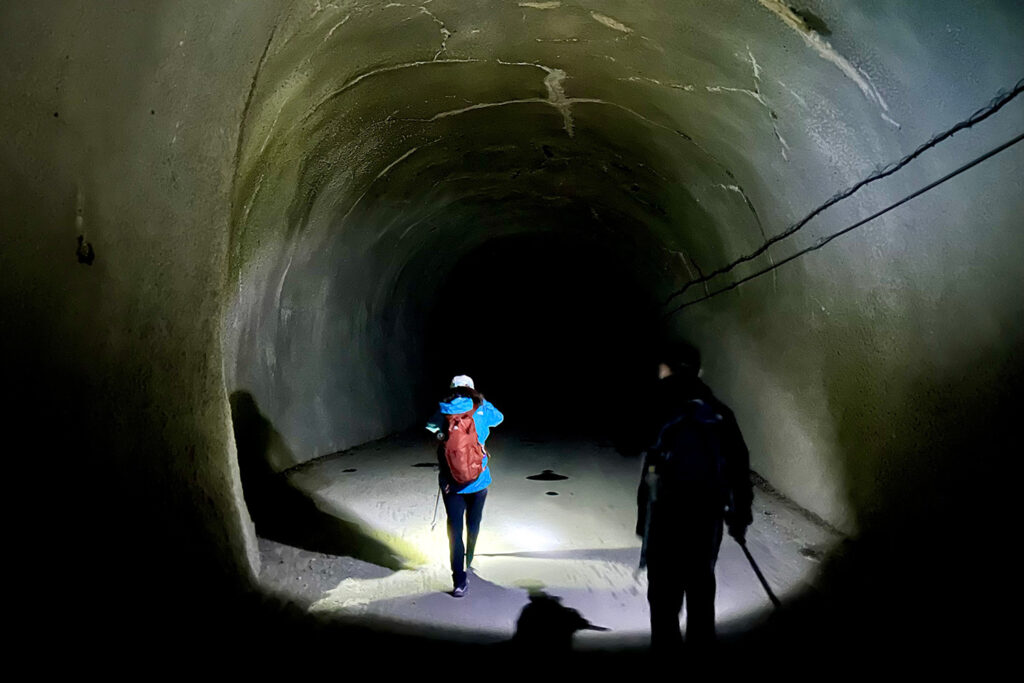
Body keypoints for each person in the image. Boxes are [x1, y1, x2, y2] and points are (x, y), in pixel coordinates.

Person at [636, 343, 753, 649]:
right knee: (701, 588)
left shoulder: (659, 409)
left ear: (668, 369)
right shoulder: (719, 413)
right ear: (699, 371)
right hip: (706, 517)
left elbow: (628, 442)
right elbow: (739, 468)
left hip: (664, 518)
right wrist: (739, 516)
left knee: (663, 598)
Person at [426, 375, 504, 597]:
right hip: (479, 480)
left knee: (455, 529)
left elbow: (430, 427)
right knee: (474, 523)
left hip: (451, 483)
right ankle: (469, 559)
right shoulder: (481, 408)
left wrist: (443, 434)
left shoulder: (445, 410)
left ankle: (459, 581)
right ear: (472, 389)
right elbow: (499, 418)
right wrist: (483, 401)